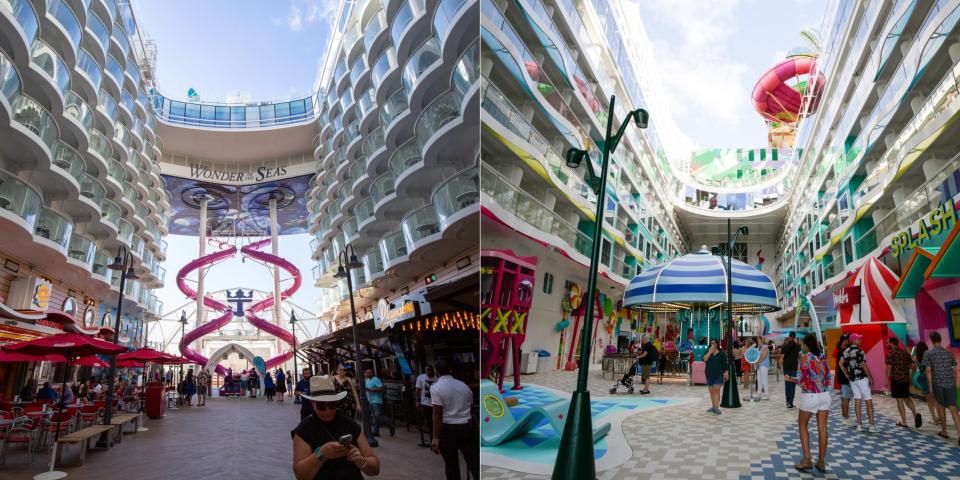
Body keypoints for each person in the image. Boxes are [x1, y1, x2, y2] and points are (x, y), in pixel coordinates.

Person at [291, 375, 380, 479]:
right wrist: (321, 454)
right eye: (322, 406)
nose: (328, 410)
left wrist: (361, 460)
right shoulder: (304, 429)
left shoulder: (350, 424)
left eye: (332, 405)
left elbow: (375, 468)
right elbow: (301, 475)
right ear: (313, 404)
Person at [786, 333, 832, 473]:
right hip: (825, 395)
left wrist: (790, 379)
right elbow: (828, 377)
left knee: (802, 425)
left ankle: (806, 459)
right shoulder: (823, 358)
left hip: (810, 397)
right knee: (822, 429)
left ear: (806, 345)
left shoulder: (805, 358)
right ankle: (821, 461)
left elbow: (801, 380)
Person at [430, 363, 479, 480]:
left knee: (451, 464)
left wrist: (435, 437)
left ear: (437, 372)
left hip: (447, 430)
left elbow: (437, 413)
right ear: (450, 371)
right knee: (474, 463)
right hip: (466, 427)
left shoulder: (436, 387)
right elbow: (470, 407)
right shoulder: (464, 386)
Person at [920, 331, 960, 445]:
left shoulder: (928, 353)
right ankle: (959, 433)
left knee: (941, 407)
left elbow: (928, 371)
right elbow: (954, 371)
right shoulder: (949, 353)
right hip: (950, 383)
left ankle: (944, 431)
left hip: (938, 383)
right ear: (940, 340)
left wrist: (931, 387)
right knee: (953, 408)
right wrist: (954, 382)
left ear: (932, 341)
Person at [839, 333, 876, 432]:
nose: (861, 341)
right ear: (854, 340)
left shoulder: (846, 351)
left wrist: (846, 374)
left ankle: (859, 425)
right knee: (868, 401)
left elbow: (840, 363)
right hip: (862, 378)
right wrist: (871, 378)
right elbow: (863, 365)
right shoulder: (860, 351)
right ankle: (872, 425)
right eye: (859, 339)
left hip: (852, 380)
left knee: (857, 400)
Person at [885, 337, 921, 428]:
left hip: (896, 380)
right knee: (907, 398)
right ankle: (915, 414)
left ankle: (904, 421)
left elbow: (889, 368)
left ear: (892, 343)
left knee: (899, 400)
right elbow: (913, 366)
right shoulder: (904, 353)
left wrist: (886, 380)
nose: (886, 345)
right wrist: (910, 377)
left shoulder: (891, 354)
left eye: (887, 343)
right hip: (905, 380)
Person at [913, 342, 941, 426]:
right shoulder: (930, 355)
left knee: (929, 400)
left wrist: (915, 351)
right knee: (935, 399)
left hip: (923, 378)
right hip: (932, 377)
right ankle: (939, 417)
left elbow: (912, 359)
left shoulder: (917, 357)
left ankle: (934, 419)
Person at [834, 333, 854, 426]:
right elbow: (843, 365)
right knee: (846, 397)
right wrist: (847, 375)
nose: (850, 341)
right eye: (848, 340)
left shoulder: (842, 350)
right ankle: (846, 418)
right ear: (844, 341)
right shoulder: (843, 351)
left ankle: (844, 416)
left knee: (845, 398)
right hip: (845, 378)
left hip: (843, 377)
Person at [703, 339, 728, 415]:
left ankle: (716, 408)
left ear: (717, 344)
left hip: (718, 375)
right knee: (711, 391)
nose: (713, 344)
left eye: (714, 343)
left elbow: (725, 365)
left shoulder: (721, 353)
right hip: (709, 375)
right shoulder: (707, 352)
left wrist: (726, 373)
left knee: (716, 390)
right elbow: (704, 359)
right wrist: (710, 352)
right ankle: (713, 407)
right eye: (711, 343)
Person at [415, 365, 438, 436]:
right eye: (427, 370)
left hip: (435, 403)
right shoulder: (421, 377)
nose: (428, 371)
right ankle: (432, 437)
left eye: (429, 370)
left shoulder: (436, 378)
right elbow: (418, 390)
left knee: (435, 421)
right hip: (425, 403)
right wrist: (417, 402)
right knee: (429, 422)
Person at [781, 332, 801, 408]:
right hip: (794, 369)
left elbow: (782, 355)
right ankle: (790, 402)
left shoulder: (785, 346)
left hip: (786, 368)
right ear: (795, 337)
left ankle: (787, 401)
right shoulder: (798, 346)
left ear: (789, 337)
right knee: (792, 386)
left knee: (787, 385)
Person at [364, 369, 385, 437]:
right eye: (366, 373)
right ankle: (376, 431)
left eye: (369, 372)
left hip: (376, 400)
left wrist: (370, 389)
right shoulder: (367, 380)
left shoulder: (376, 379)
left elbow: (381, 389)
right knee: (374, 417)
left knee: (378, 415)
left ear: (372, 373)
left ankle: (387, 423)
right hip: (370, 400)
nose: (367, 374)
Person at [755, 336, 770, 400]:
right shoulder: (757, 348)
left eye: (759, 340)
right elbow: (756, 357)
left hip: (764, 365)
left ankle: (766, 394)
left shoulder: (765, 347)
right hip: (759, 366)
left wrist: (757, 363)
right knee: (759, 380)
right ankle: (759, 393)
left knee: (764, 380)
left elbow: (764, 356)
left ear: (762, 340)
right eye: (757, 341)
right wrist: (756, 364)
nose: (758, 342)